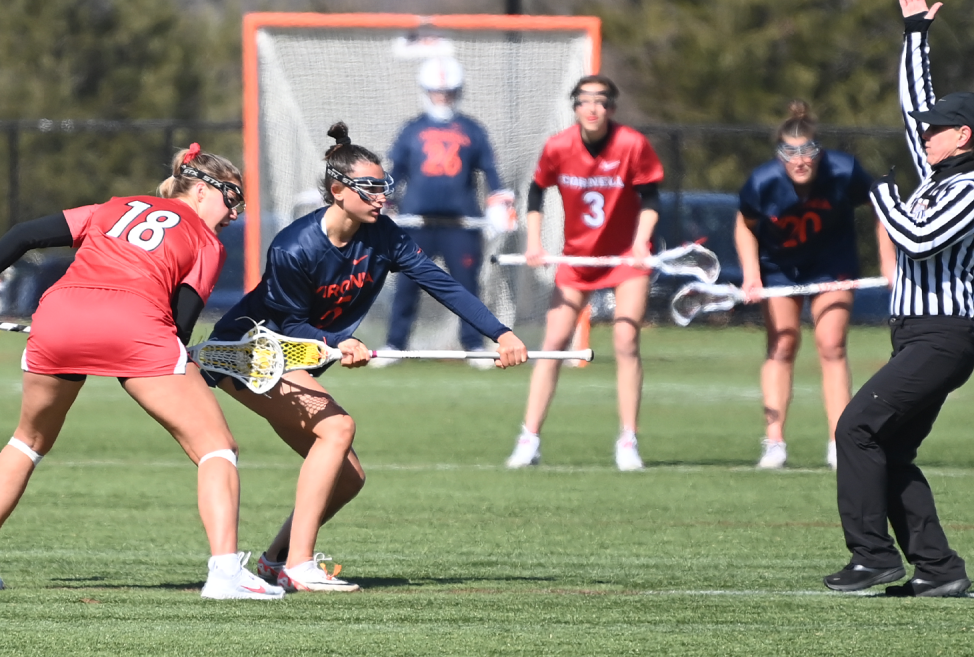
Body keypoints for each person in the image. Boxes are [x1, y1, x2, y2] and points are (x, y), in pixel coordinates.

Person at [0, 144, 283, 600]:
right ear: (201, 191)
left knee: (26, 441)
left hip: (58, 318)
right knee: (216, 448)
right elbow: (178, 325)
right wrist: (182, 356)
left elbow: (24, 234)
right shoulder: (206, 242)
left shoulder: (113, 206)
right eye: (232, 199)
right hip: (135, 328)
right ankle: (224, 574)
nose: (235, 213)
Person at [205, 122, 528, 593]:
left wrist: (499, 332)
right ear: (338, 190)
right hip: (248, 352)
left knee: (348, 477)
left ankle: (274, 562)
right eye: (371, 190)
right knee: (338, 427)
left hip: (294, 354)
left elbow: (438, 282)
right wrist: (335, 343)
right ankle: (300, 564)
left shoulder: (384, 235)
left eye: (384, 189)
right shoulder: (294, 247)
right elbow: (289, 320)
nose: (382, 199)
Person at [824, 0, 974, 598]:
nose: (924, 136)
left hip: (941, 340)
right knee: (889, 450)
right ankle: (938, 569)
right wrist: (915, 37)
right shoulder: (941, 169)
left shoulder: (970, 190)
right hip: (916, 337)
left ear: (963, 136)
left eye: (938, 131)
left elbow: (915, 237)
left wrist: (875, 191)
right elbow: (915, 109)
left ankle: (873, 557)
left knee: (855, 429)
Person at [505, 75, 663, 471]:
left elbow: (651, 197)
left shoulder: (632, 144)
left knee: (626, 340)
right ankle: (530, 437)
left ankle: (628, 440)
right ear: (574, 107)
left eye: (602, 101)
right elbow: (537, 192)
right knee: (553, 342)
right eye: (584, 101)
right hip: (577, 260)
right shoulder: (559, 147)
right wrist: (535, 244)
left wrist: (641, 243)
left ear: (612, 108)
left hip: (625, 259)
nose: (593, 108)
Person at [735, 101, 896, 470]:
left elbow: (881, 208)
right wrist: (751, 274)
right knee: (782, 343)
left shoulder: (843, 171)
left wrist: (889, 262)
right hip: (780, 269)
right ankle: (774, 443)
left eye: (808, 150)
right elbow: (745, 224)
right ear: (779, 155)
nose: (800, 160)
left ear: (818, 151)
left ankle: (840, 442)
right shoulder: (763, 182)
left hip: (832, 265)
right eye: (790, 152)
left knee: (831, 344)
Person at [372, 56, 514, 367]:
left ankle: (474, 345)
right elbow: (397, 171)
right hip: (416, 222)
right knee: (407, 284)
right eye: (437, 92)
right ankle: (395, 344)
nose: (442, 98)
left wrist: (499, 202)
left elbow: (491, 172)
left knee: (466, 287)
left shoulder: (473, 130)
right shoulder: (411, 129)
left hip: (460, 223)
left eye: (447, 92)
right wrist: (384, 199)